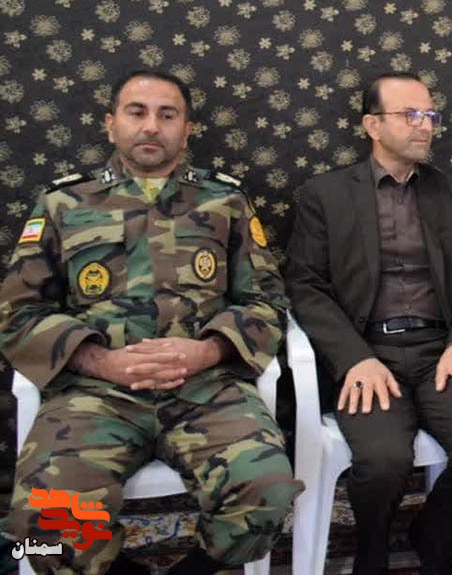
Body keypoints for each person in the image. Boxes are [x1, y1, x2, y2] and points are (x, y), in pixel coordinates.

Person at [0, 70, 301, 575]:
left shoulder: (224, 200)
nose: (151, 126)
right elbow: (17, 312)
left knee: (268, 494)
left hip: (205, 388)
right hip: (96, 394)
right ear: (111, 123)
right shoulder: (63, 203)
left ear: (186, 130)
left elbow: (266, 300)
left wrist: (208, 351)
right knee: (43, 525)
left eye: (168, 115)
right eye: (137, 112)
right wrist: (101, 361)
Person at [284, 71, 452, 575]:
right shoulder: (325, 195)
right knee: (383, 461)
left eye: (429, 114)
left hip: (441, 350)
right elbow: (306, 285)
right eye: (409, 115)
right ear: (372, 125)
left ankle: (432, 538)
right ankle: (372, 550)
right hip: (369, 351)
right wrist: (354, 359)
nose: (424, 125)